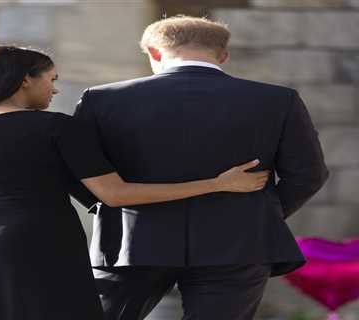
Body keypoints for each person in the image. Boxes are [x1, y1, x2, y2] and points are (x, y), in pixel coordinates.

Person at [0, 45, 270, 320]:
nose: (53, 91)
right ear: (24, 81)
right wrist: (217, 183)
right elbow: (114, 194)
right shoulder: (54, 127)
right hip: (39, 243)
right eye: (51, 80)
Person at [72, 15, 329, 320]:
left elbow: (77, 170)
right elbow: (308, 174)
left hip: (132, 240)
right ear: (223, 56)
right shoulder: (278, 100)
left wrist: (117, 206)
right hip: (238, 242)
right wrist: (255, 213)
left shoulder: (100, 99)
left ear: (154, 53)